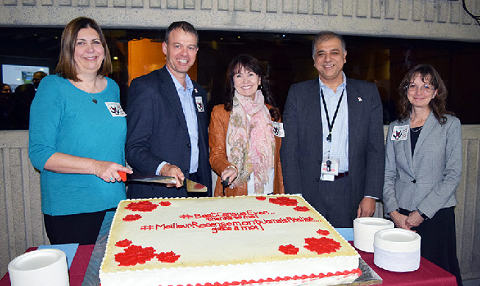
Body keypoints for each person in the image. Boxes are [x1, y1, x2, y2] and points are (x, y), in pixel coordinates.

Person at [28, 17, 132, 245]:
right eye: (80, 43)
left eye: (96, 42)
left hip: (114, 203)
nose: (90, 49)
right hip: (71, 209)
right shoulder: (53, 87)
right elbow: (40, 154)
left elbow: (105, 139)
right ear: (68, 49)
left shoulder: (112, 88)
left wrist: (120, 163)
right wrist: (96, 166)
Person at [280, 31, 385, 228]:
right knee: (309, 250)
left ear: (345, 56)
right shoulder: (298, 94)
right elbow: (289, 149)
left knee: (347, 252)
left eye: (334, 53)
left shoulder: (367, 93)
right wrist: (295, 196)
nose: (328, 59)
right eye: (321, 53)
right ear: (314, 60)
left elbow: (376, 149)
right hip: (309, 190)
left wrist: (370, 195)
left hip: (351, 191)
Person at [383, 64, 463, 285]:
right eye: (413, 86)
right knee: (401, 274)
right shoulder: (396, 126)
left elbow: (453, 174)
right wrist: (393, 211)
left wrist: (423, 212)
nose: (418, 92)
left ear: (436, 92)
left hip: (436, 214)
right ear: (406, 90)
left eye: (426, 86)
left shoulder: (449, 125)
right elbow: (388, 172)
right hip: (402, 214)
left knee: (438, 274)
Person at [126, 21, 211, 199]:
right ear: (165, 48)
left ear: (196, 51)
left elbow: (199, 146)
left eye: (190, 47)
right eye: (177, 46)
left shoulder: (200, 93)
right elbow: (134, 148)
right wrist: (164, 167)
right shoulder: (145, 87)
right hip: (158, 193)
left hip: (195, 191)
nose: (184, 54)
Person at [209, 54, 284, 196]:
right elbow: (216, 154)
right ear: (232, 81)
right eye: (238, 76)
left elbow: (279, 158)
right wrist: (227, 168)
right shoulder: (220, 113)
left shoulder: (273, 113)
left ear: (259, 79)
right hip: (236, 190)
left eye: (250, 74)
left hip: (269, 190)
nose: (245, 81)